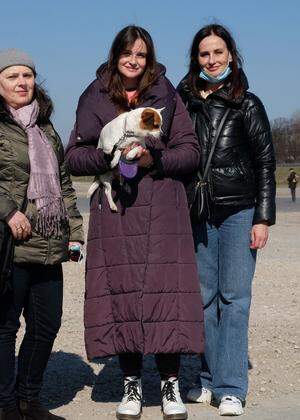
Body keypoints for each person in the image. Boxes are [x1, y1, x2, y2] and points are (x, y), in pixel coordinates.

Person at [65, 25, 204, 420]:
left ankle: (170, 382)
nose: (134, 60)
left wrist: (153, 160)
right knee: (122, 293)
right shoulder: (93, 96)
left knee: (167, 294)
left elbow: (189, 151)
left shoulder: (167, 93)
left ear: (149, 58)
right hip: (116, 209)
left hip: (162, 205)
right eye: (128, 53)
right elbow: (74, 156)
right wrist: (109, 157)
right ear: (115, 55)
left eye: (141, 54)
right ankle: (131, 383)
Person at [177, 24, 276, 416]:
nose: (212, 59)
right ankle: (205, 379)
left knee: (235, 299)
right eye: (204, 54)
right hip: (198, 211)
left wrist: (263, 218)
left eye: (218, 52)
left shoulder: (247, 103)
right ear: (196, 59)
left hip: (239, 211)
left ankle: (231, 386)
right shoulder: (183, 103)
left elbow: (266, 162)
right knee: (203, 299)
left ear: (231, 56)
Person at [0, 49, 84, 420]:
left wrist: (75, 233)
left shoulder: (46, 127)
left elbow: (64, 183)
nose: (22, 83)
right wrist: (7, 211)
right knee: (4, 329)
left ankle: (27, 399)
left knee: (46, 325)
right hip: (9, 244)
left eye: (27, 76)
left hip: (49, 242)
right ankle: (4, 406)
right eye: (12, 76)